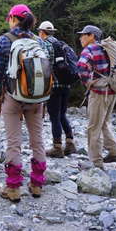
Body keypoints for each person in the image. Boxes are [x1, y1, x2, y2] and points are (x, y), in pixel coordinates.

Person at [0, 4, 50, 202]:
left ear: (13, 19)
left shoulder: (3, 41)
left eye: (9, 17)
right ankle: (37, 184)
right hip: (36, 98)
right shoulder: (38, 41)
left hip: (13, 98)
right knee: (37, 141)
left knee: (14, 143)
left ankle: (13, 188)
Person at [76, 25, 116, 170]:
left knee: (93, 127)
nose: (80, 38)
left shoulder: (90, 49)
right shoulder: (108, 49)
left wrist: (87, 83)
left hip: (99, 93)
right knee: (103, 122)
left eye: (83, 35)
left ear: (91, 36)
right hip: (112, 91)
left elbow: (81, 67)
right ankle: (115, 152)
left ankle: (96, 162)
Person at [37, 21, 77, 158]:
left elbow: (44, 64)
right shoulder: (62, 44)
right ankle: (70, 142)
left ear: (42, 32)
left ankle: (57, 147)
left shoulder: (45, 44)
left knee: (54, 116)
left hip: (53, 86)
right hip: (66, 85)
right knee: (62, 114)